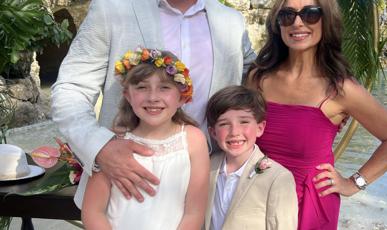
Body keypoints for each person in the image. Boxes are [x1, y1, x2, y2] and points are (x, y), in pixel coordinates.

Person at [51, 0, 256, 208]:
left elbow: (260, 81)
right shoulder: (112, 8)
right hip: (124, 187)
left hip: (205, 191)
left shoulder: (231, 22)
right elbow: (72, 87)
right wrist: (100, 147)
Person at [245, 0, 387, 229]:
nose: (297, 22)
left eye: (310, 14)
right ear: (277, 24)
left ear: (327, 21)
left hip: (310, 206)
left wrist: (354, 183)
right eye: (287, 15)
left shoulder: (342, 89)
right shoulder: (258, 78)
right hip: (257, 197)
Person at [81, 48, 209, 229]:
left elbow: (194, 213)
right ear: (128, 95)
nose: (153, 97)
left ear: (182, 97)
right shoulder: (114, 143)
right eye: (142, 87)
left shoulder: (193, 140)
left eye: (164, 88)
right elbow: (93, 211)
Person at [203, 85, 298, 230]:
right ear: (213, 133)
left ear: (260, 128)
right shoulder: (207, 166)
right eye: (224, 124)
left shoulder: (278, 178)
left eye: (244, 122)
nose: (234, 132)